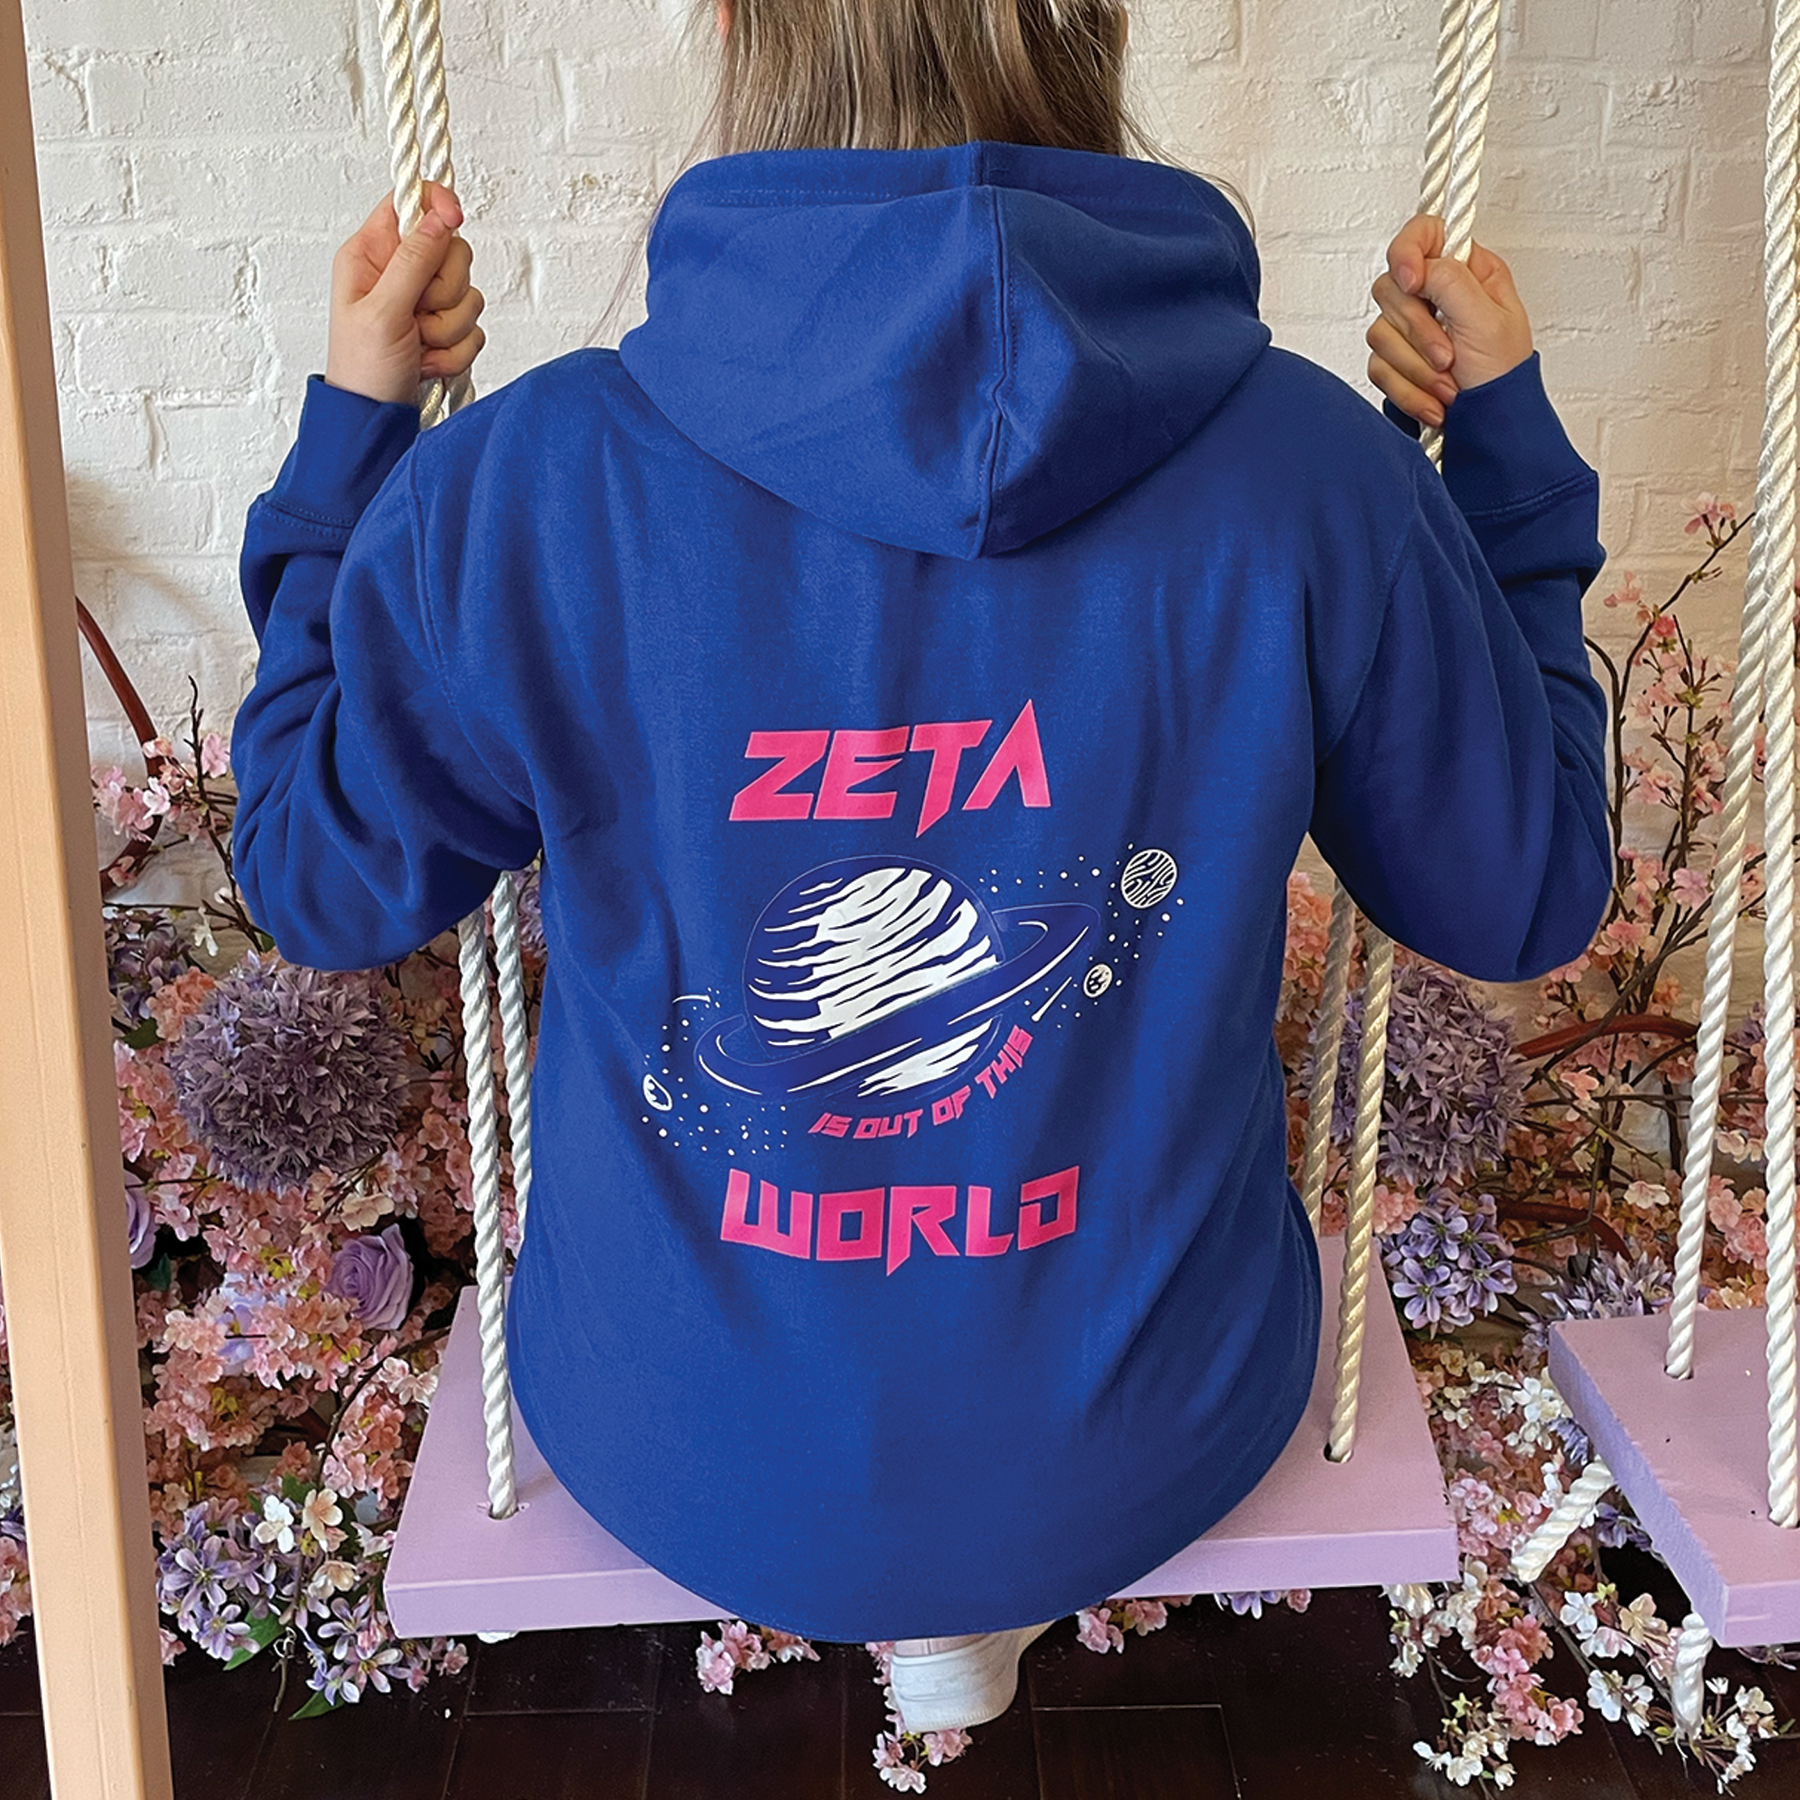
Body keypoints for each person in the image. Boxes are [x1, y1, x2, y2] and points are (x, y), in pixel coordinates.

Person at [230, 0, 1611, 1735]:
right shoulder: (1313, 478)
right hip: (1146, 1427)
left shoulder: (528, 488)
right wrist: (1504, 468)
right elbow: (1521, 891)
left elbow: (315, 875)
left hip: (681, 1440)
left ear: (733, 20)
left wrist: (355, 443)